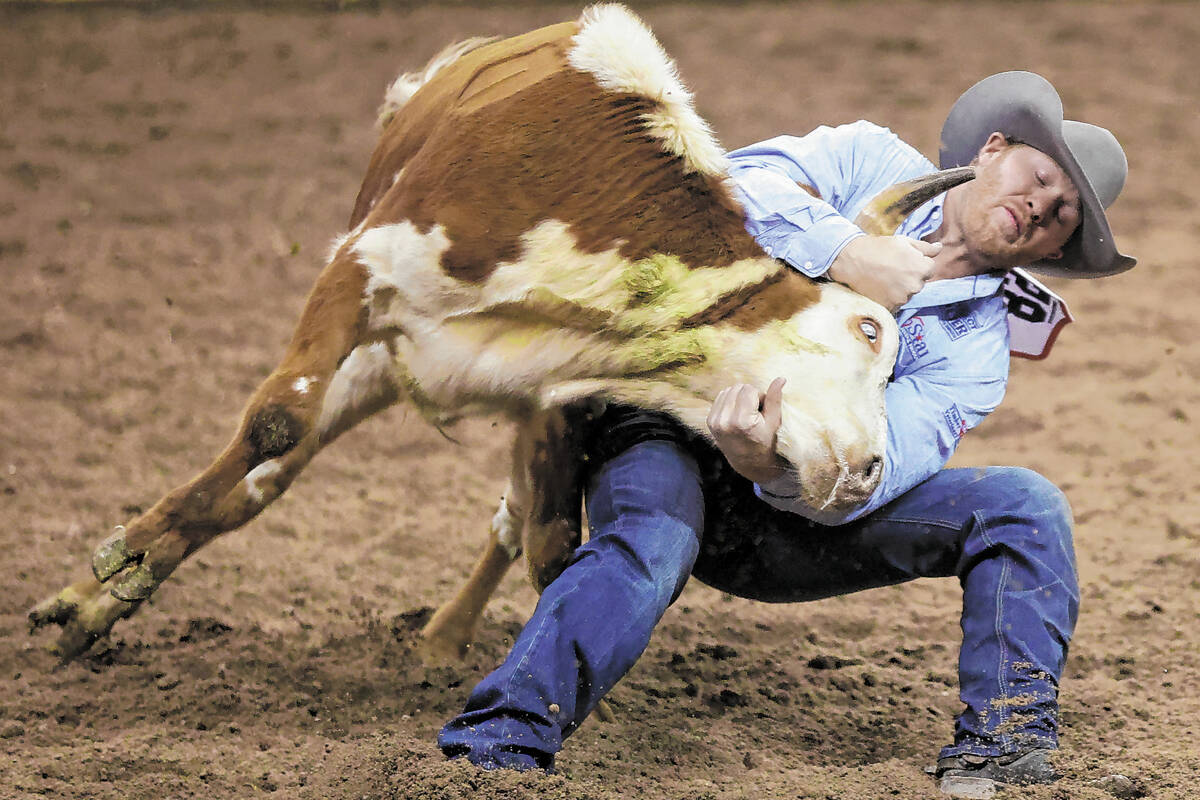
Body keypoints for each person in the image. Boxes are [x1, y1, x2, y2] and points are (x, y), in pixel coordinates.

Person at [437, 71, 1135, 796]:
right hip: (667, 413)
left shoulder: (978, 351)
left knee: (1026, 507)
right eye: (1040, 176)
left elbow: (880, 467)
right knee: (653, 541)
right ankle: (499, 744)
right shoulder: (866, 157)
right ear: (994, 149)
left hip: (779, 514)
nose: (1038, 206)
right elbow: (726, 187)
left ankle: (1006, 751)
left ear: (1053, 251)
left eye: (1061, 215)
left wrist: (772, 465)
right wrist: (844, 251)